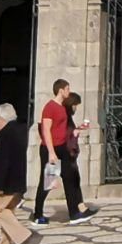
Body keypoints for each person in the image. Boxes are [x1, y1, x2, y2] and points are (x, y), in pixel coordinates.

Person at [32, 79, 93, 227]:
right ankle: (37, 214)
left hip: (62, 148)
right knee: (48, 182)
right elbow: (46, 130)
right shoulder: (50, 107)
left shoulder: (62, 108)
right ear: (61, 90)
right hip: (50, 149)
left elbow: (62, 129)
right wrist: (51, 152)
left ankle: (74, 213)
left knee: (69, 178)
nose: (68, 91)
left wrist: (77, 129)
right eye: (67, 88)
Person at [0, 101, 35, 244]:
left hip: (7, 182)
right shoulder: (19, 131)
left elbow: (2, 162)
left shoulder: (5, 135)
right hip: (18, 180)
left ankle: (21, 234)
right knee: (7, 212)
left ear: (1, 118)